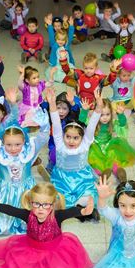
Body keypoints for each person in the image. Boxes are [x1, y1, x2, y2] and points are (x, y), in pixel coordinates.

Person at [0, 183, 94, 268]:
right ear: (31, 203)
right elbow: (12, 210)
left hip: (54, 252)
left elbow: (71, 211)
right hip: (31, 250)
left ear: (53, 205)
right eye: (36, 204)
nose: (40, 208)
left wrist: (84, 211)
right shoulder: (27, 215)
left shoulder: (57, 216)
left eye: (45, 204)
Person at [0, 109, 50, 236]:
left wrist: (44, 127)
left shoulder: (28, 152)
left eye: (17, 144)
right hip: (4, 191)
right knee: (1, 224)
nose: (13, 148)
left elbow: (41, 140)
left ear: (24, 143)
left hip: (26, 190)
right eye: (8, 145)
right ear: (3, 143)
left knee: (34, 221)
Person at [47, 88, 100, 219]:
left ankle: (81, 207)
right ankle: (73, 207)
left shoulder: (86, 142)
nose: (71, 141)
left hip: (83, 178)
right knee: (56, 202)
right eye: (68, 137)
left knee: (89, 199)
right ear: (62, 136)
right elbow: (55, 121)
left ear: (82, 137)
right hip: (62, 179)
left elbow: (93, 122)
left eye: (75, 138)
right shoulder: (59, 142)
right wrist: (52, 103)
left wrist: (99, 105)